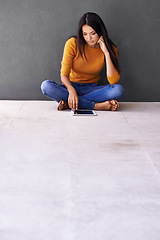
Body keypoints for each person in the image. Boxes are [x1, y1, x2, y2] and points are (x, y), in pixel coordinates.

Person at [41, 12, 124, 111]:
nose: (89, 38)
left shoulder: (110, 48)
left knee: (118, 90)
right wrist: (71, 91)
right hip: (71, 86)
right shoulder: (72, 44)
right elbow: (64, 75)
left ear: (100, 31)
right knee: (46, 86)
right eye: (85, 34)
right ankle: (95, 106)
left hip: (92, 89)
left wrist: (106, 53)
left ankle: (70, 103)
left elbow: (113, 81)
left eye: (93, 33)